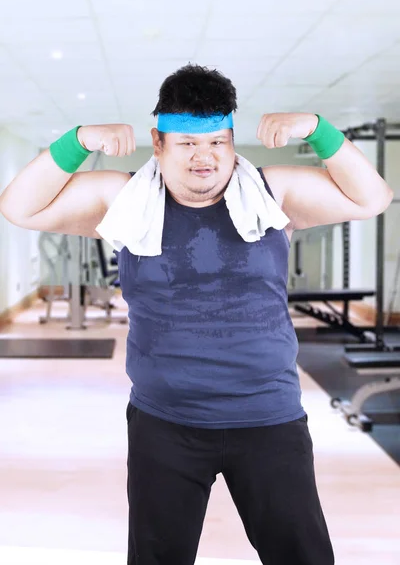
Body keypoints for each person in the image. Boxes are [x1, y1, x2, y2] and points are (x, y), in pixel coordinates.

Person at [0, 64, 393, 565]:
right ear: (158, 144)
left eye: (217, 144)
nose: (204, 158)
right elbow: (18, 207)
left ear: (231, 142)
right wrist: (77, 140)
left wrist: (318, 129)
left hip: (268, 418)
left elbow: (372, 197)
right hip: (165, 425)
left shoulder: (273, 195)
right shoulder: (124, 199)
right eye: (186, 144)